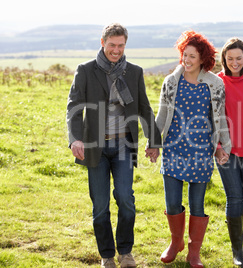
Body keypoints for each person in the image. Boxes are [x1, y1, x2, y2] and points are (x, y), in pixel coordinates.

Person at [66, 23, 161, 268]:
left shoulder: (134, 72)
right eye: (112, 45)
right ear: (102, 42)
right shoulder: (86, 70)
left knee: (125, 199)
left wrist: (154, 141)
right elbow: (73, 107)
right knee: (100, 205)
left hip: (124, 146)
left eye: (120, 45)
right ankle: (107, 255)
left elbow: (144, 108)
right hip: (94, 147)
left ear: (125, 45)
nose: (116, 50)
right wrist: (74, 138)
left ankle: (126, 252)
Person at [154, 30, 231, 268]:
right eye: (184, 55)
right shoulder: (171, 82)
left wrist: (221, 147)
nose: (187, 60)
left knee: (198, 204)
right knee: (173, 203)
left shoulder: (215, 85)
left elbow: (220, 118)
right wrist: (154, 143)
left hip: (200, 152)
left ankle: (193, 252)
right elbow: (162, 115)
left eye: (192, 56)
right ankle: (175, 242)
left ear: (202, 59)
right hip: (173, 149)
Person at [216, 37, 243, 267]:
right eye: (230, 58)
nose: (234, 62)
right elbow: (209, 117)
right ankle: (238, 253)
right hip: (225, 150)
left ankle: (234, 223)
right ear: (224, 58)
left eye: (239, 58)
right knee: (234, 199)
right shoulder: (216, 82)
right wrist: (217, 147)